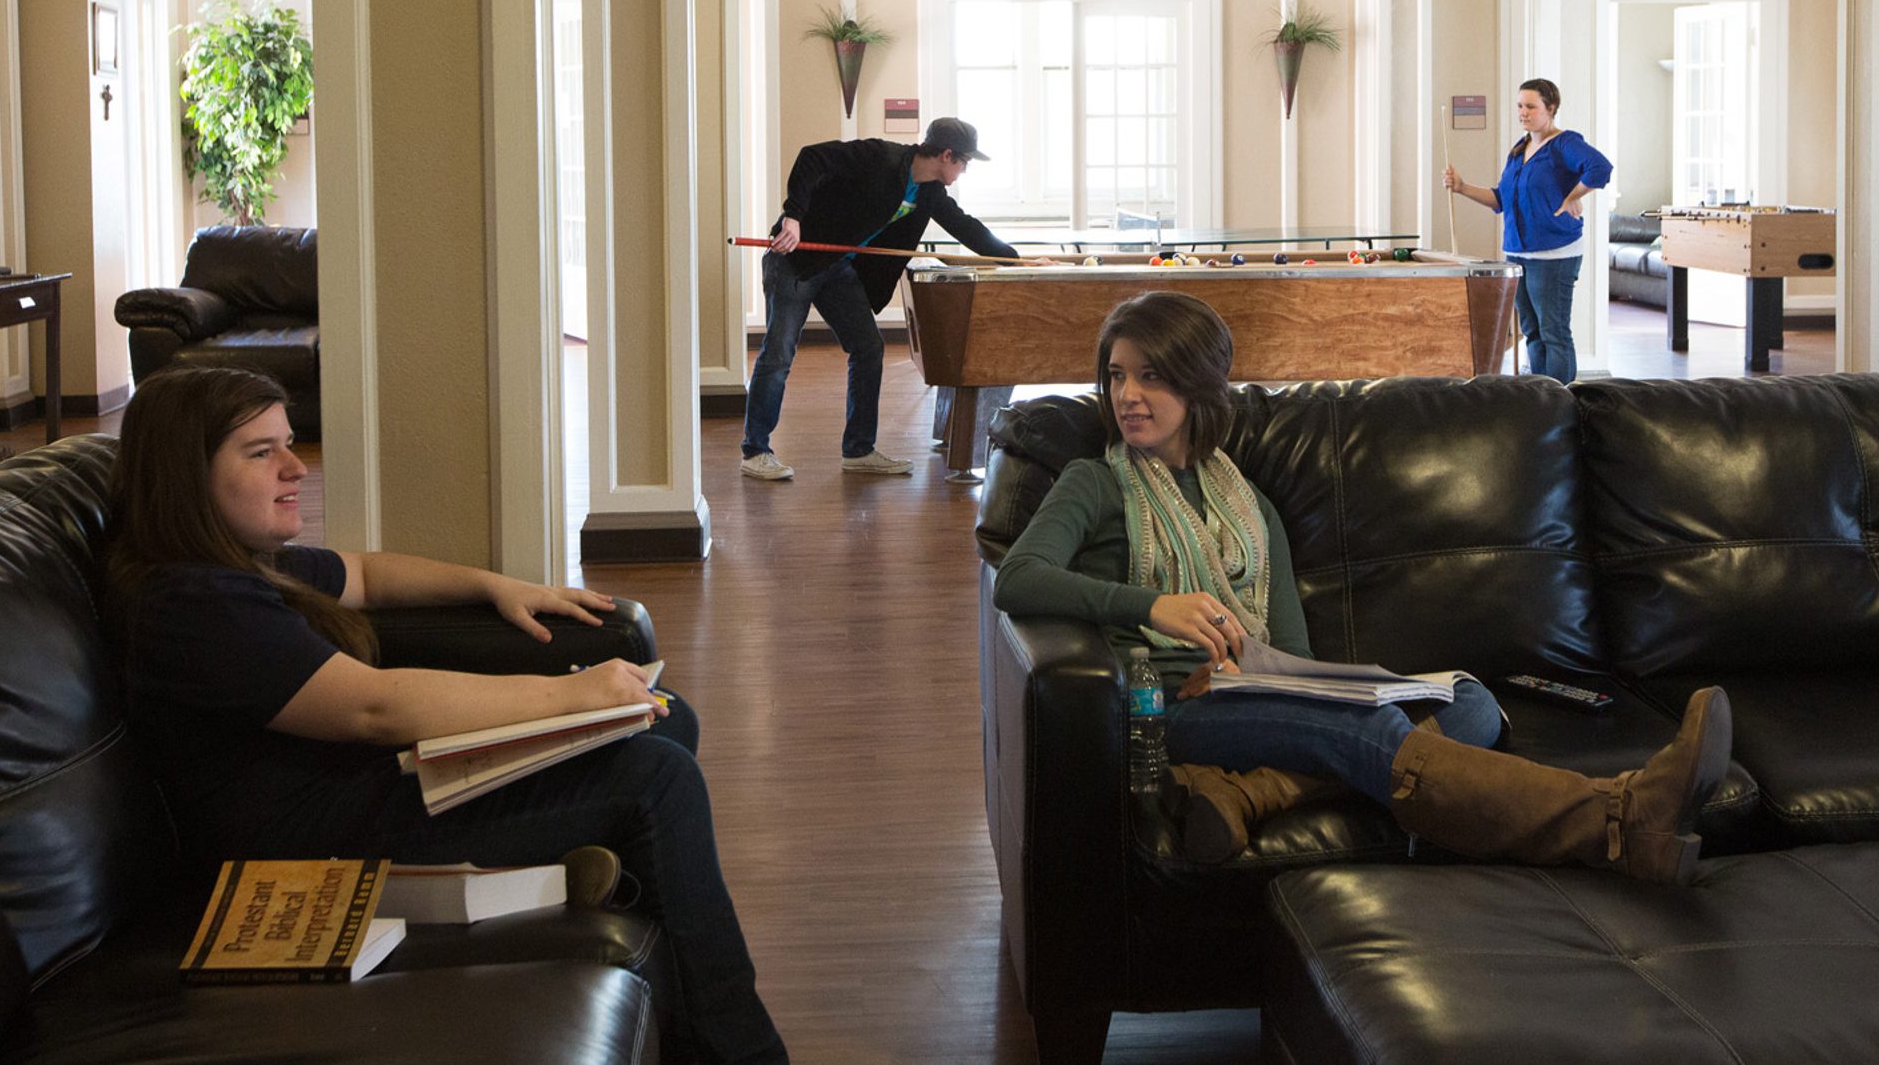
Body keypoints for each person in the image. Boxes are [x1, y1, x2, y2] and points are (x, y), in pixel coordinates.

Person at [104, 366, 787, 1065]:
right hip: (313, 845)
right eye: (260, 452)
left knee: (664, 719)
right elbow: (374, 707)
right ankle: (742, 1050)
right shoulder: (190, 605)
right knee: (656, 780)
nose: (294, 467)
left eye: (287, 443)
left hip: (363, 794)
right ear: (188, 476)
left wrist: (496, 585)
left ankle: (614, 892)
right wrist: (570, 695)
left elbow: (366, 573)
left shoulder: (240, 565)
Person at [992, 291, 1732, 883]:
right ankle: (1617, 817)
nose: (1128, 394)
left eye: (1151, 375)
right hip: (1164, 706)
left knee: (1467, 700)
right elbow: (1018, 579)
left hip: (1248, 692)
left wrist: (1264, 670)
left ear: (1198, 383)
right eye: (1117, 375)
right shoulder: (1094, 482)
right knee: (1370, 734)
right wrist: (1151, 604)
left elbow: (1293, 651)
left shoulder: (1251, 506)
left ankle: (1247, 790)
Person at [742, 117, 1026, 481]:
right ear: (946, 155)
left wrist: (1016, 259)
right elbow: (811, 157)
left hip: (838, 269)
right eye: (964, 162)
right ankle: (755, 451)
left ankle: (859, 450)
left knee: (868, 348)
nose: (965, 170)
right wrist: (793, 217)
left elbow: (967, 227)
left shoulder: (929, 193)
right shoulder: (879, 157)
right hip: (795, 261)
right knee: (780, 352)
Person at [1443, 78, 1613, 384]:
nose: (1523, 112)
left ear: (1551, 108)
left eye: (1531, 106)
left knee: (1553, 330)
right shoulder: (1519, 150)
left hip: (1554, 253)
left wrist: (1574, 195)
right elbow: (1501, 199)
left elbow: (1600, 167)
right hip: (1517, 253)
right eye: (1520, 106)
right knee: (1531, 331)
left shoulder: (1564, 144)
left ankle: (1563, 400)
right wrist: (1462, 187)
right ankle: (1542, 396)